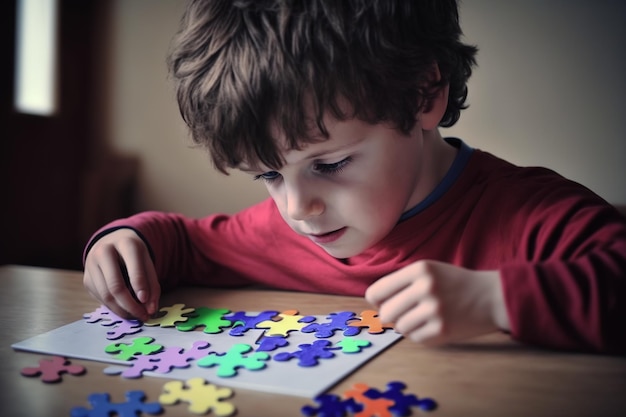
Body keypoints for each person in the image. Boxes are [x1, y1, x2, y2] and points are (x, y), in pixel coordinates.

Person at [82, 0, 626, 354]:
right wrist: (126, 240)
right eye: (269, 175)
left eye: (330, 164)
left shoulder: (528, 216)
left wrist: (496, 301)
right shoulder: (281, 228)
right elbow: (186, 242)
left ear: (423, 95)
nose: (296, 208)